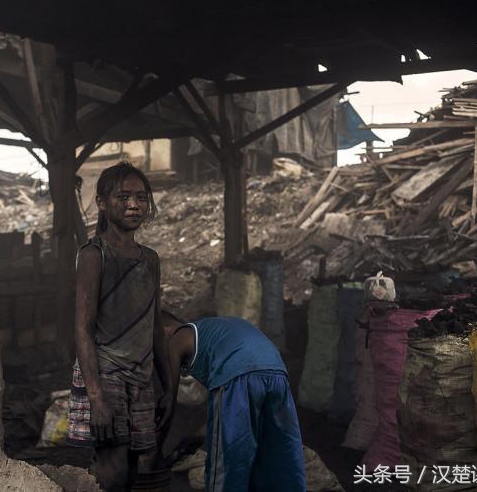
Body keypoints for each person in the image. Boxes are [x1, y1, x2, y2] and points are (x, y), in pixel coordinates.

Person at [67, 162, 172, 491]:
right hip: (105, 374)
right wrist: (96, 398)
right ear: (101, 203)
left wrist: (168, 387)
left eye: (141, 197)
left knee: (132, 466)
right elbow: (82, 330)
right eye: (123, 196)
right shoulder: (93, 255)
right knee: (112, 470)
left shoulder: (150, 259)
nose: (133, 204)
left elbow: (155, 328)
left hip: (141, 376)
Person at [161, 315, 305, 492]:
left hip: (238, 375)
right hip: (277, 373)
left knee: (228, 461)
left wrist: (156, 452)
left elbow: (168, 400)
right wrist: (193, 439)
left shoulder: (176, 338)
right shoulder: (216, 332)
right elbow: (226, 413)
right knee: (280, 452)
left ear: (166, 330)